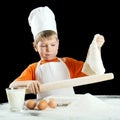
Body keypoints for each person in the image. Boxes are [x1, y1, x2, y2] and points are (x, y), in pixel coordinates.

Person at [9, 6, 105, 100]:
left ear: (58, 43)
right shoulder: (33, 68)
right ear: (35, 46)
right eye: (43, 45)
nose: (48, 49)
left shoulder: (68, 63)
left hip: (69, 108)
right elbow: (12, 85)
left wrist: (97, 48)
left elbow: (93, 70)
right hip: (46, 111)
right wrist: (28, 83)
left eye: (53, 45)